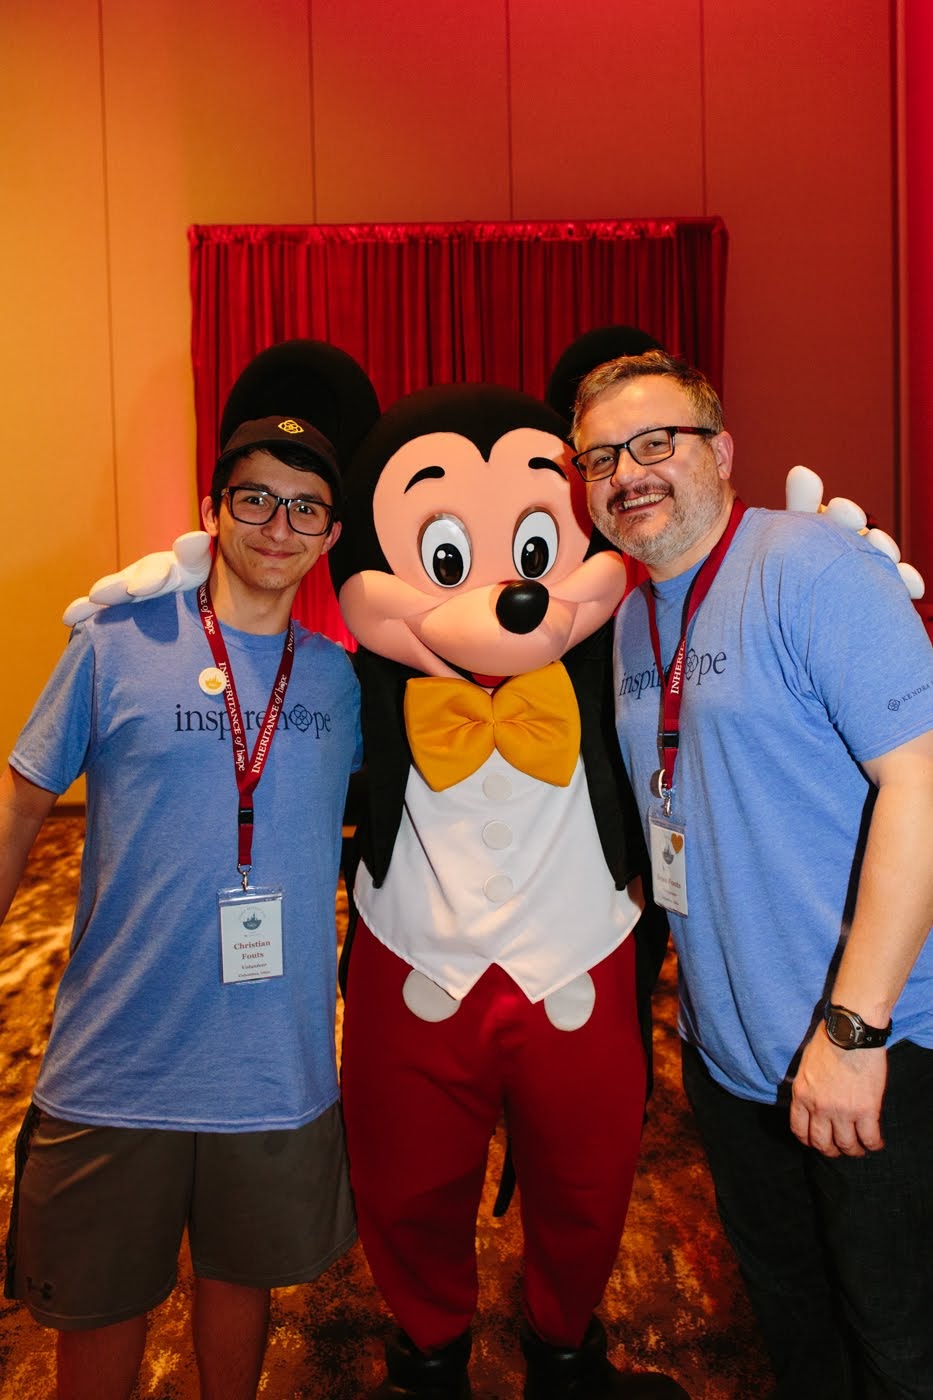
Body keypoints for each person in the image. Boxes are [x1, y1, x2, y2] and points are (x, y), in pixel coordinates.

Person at [572, 349, 933, 1399]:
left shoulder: (812, 566)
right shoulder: (636, 618)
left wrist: (853, 1030)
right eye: (602, 456)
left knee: (900, 1342)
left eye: (655, 442)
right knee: (793, 1320)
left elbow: (921, 783)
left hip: (871, 1053)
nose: (628, 471)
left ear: (722, 452)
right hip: (732, 1064)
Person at [1, 415, 362, 1400]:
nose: (278, 525)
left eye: (306, 507)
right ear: (212, 512)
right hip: (116, 1059)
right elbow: (25, 799)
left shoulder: (340, 678)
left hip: (270, 1068)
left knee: (240, 1279)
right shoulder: (117, 641)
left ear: (330, 535)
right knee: (97, 1309)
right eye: (254, 497)